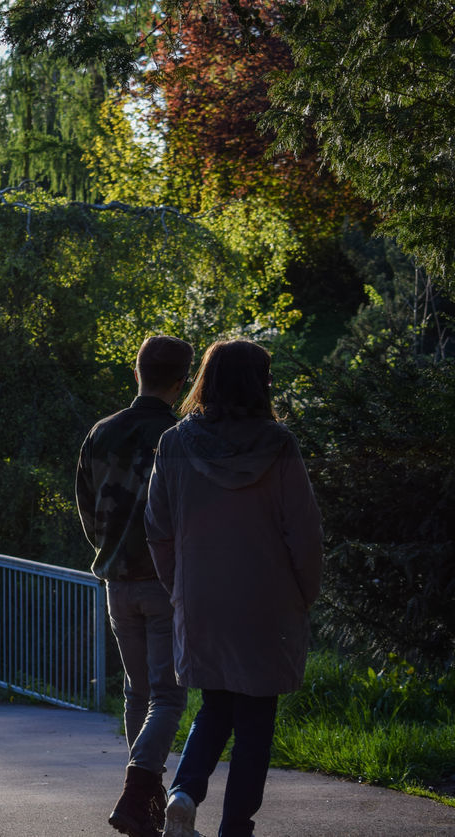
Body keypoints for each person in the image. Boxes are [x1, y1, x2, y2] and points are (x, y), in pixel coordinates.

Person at [144, 338, 324, 837]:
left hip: (201, 598)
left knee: (215, 704)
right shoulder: (280, 444)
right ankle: (235, 827)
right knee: (256, 719)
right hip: (267, 602)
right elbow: (304, 531)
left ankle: (182, 793)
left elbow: (156, 528)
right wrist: (304, 593)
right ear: (258, 383)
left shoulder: (175, 443)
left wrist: (179, 588)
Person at [76, 334, 194, 837]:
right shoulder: (178, 438)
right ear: (182, 381)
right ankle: (137, 791)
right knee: (167, 697)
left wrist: (109, 548)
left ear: (136, 371)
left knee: (137, 691)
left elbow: (86, 506)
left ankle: (143, 801)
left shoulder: (101, 432)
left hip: (116, 580)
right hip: (164, 584)